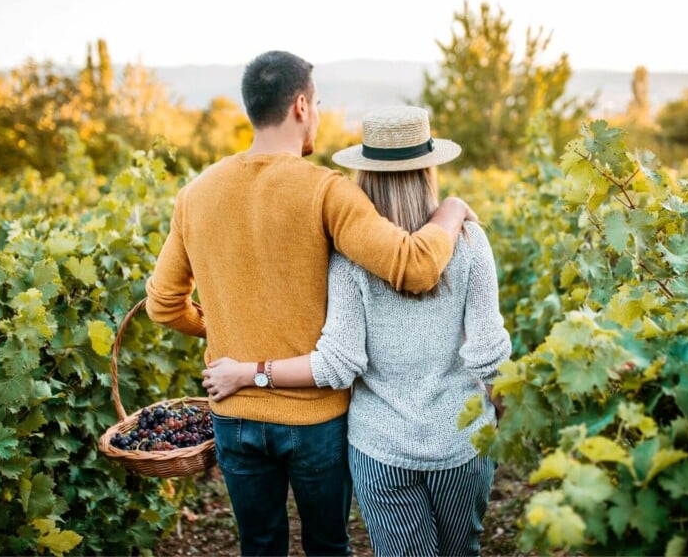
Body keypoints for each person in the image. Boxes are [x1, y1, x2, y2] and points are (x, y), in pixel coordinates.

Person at [144, 52, 477, 556]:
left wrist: (221, 328)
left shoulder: (195, 194)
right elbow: (415, 266)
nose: (318, 113)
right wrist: (451, 213)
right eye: (318, 103)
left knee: (259, 546)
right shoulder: (326, 191)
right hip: (315, 419)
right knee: (327, 546)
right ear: (301, 105)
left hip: (234, 409)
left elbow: (164, 305)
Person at [202, 105, 512, 556]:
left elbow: (338, 363)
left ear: (363, 175)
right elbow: (488, 354)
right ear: (428, 170)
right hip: (461, 443)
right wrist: (497, 413)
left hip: (380, 450)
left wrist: (250, 373)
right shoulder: (467, 241)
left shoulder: (349, 258)